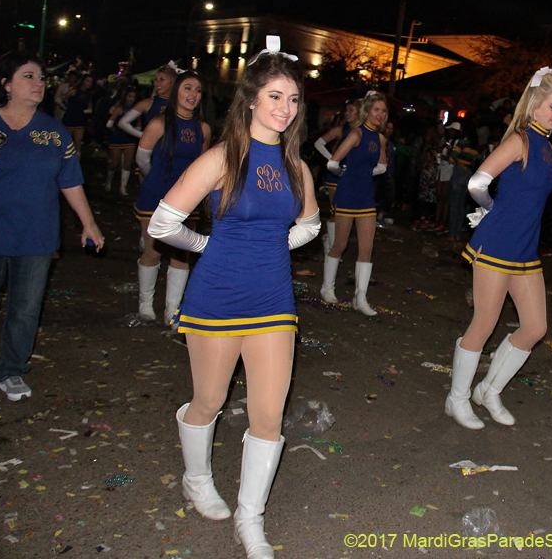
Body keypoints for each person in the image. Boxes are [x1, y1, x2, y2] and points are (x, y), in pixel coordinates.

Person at [148, 37, 319, 559]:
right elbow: (163, 222)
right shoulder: (222, 157)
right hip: (216, 297)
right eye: (274, 97)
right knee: (209, 401)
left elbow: (310, 226)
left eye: (292, 100)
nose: (285, 109)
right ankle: (196, 480)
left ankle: (252, 520)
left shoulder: (297, 167)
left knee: (269, 416)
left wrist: (274, 243)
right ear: (250, 100)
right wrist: (204, 244)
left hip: (273, 299)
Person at [445, 67, 552, 430]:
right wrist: (492, 209)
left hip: (526, 249)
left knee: (535, 327)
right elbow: (478, 181)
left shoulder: (545, 146)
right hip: (497, 243)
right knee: (484, 323)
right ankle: (457, 398)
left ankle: (490, 389)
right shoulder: (521, 138)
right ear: (534, 104)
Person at [0, 51, 104, 401]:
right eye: (28, 76)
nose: (39, 83)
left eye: (41, 78)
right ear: (6, 84)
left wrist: (89, 224)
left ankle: (11, 370)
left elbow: (70, 182)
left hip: (35, 236)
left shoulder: (54, 133)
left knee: (24, 310)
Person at [134, 71, 211, 326]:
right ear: (177, 90)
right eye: (188, 88)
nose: (193, 95)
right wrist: (156, 180)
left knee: (181, 256)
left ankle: (172, 312)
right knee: (152, 252)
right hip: (154, 196)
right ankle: (145, 305)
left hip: (187, 202)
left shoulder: (203, 129)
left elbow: (203, 166)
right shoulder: (158, 123)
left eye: (198, 90)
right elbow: (142, 158)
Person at [320, 91, 389, 316]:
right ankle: (327, 288)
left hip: (366, 196)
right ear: (367, 111)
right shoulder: (356, 133)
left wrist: (367, 171)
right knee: (340, 244)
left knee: (367, 248)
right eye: (376, 109)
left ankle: (360, 298)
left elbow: (383, 167)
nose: (380, 114)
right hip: (348, 193)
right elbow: (332, 163)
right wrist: (345, 173)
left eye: (383, 110)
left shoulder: (380, 139)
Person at [313, 99, 360, 253]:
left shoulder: (361, 132)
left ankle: (332, 242)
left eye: (351, 110)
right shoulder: (341, 130)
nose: (347, 113)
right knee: (337, 210)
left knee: (346, 212)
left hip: (352, 177)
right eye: (347, 110)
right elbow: (319, 143)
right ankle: (332, 247)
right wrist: (333, 159)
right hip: (336, 176)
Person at [116, 63, 177, 142]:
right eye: (156, 80)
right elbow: (122, 123)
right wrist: (144, 135)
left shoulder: (180, 102)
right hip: (153, 150)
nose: (157, 83)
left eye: (162, 79)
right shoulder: (148, 103)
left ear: (172, 81)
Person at [105, 87, 139, 195]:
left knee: (127, 164)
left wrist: (136, 131)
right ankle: (108, 182)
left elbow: (138, 124)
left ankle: (123, 188)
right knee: (114, 163)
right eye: (130, 96)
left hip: (130, 139)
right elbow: (109, 123)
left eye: (133, 97)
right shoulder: (119, 108)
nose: (131, 99)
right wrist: (115, 130)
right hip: (118, 139)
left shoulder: (136, 109)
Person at [61, 73, 94, 155]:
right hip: (70, 118)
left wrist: (88, 111)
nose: (89, 83)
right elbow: (63, 98)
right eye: (87, 81)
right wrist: (65, 106)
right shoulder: (74, 91)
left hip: (80, 119)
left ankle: (76, 162)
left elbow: (89, 106)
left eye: (91, 82)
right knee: (66, 142)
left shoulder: (89, 94)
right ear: (82, 81)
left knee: (78, 142)